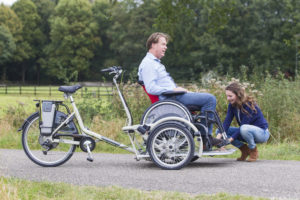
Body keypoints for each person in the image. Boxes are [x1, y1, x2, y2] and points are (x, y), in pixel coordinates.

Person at [138, 32, 218, 141]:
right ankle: (206, 138)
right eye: (163, 44)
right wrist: (173, 90)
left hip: (174, 96)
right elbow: (151, 88)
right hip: (171, 98)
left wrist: (181, 91)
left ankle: (205, 135)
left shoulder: (155, 63)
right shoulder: (149, 64)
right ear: (153, 45)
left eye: (165, 45)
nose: (165, 47)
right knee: (210, 99)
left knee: (209, 105)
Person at [216, 82, 270, 162]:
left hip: (262, 133)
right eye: (227, 96)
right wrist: (218, 138)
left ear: (238, 95)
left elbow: (244, 125)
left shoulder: (249, 105)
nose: (228, 98)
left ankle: (253, 150)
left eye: (230, 96)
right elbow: (227, 122)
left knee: (244, 128)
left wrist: (230, 140)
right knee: (220, 131)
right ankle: (245, 150)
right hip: (245, 131)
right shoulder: (232, 105)